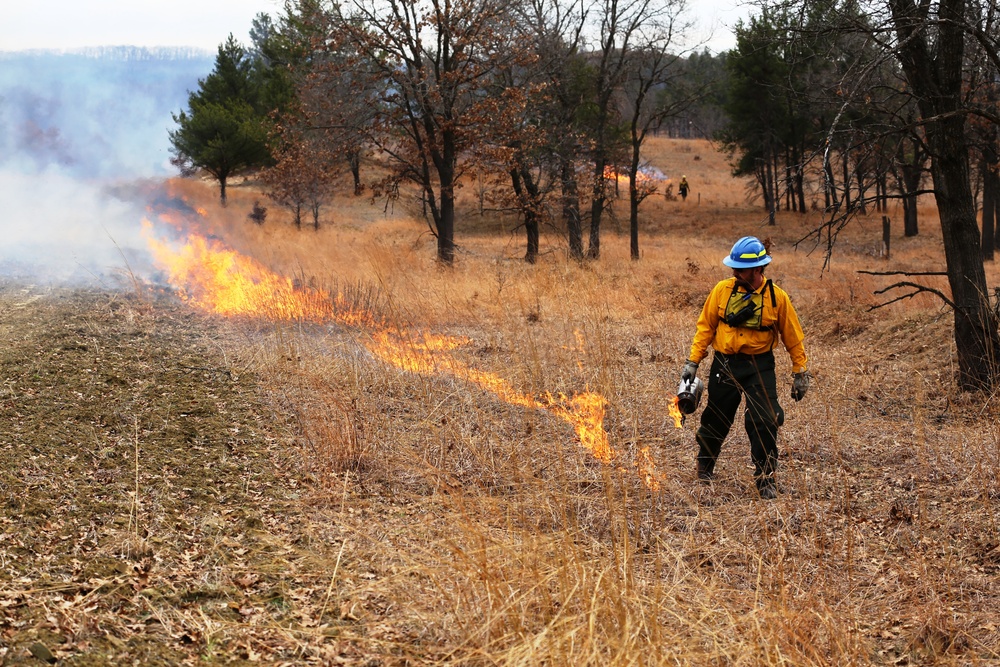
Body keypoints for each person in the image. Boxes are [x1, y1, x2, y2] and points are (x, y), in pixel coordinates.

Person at [679, 236, 809, 499]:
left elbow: (793, 336)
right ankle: (705, 465)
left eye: (741, 269)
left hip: (759, 366)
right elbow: (705, 327)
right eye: (733, 268)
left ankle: (765, 479)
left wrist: (800, 371)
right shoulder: (721, 291)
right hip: (724, 364)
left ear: (758, 269)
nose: (735, 273)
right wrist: (693, 362)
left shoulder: (777, 298)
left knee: (764, 420)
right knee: (716, 418)